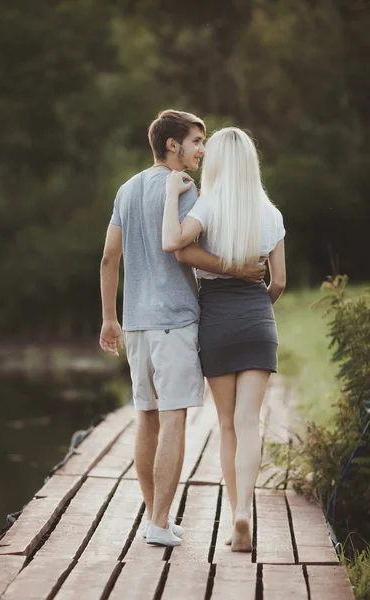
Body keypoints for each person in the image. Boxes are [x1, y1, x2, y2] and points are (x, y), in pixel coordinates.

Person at [99, 111, 266, 547]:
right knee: (174, 421)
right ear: (172, 145)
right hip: (174, 320)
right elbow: (182, 252)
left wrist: (109, 317)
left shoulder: (127, 189)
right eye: (196, 140)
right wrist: (239, 268)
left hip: (134, 322)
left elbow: (108, 259)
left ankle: (157, 517)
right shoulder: (186, 190)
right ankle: (157, 522)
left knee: (146, 418)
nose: (202, 149)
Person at [162, 126, 286, 552]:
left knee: (228, 424)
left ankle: (234, 510)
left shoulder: (208, 204)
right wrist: (257, 314)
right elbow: (280, 282)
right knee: (252, 423)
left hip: (215, 319)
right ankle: (243, 513)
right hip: (257, 319)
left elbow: (178, 243)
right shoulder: (271, 213)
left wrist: (170, 196)